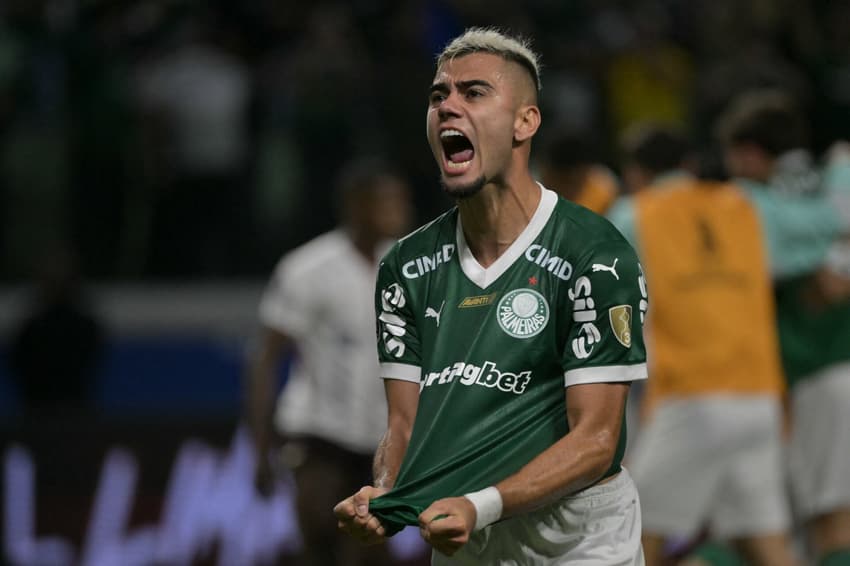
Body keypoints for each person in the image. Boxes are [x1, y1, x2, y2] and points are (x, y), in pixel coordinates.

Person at [334, 28, 649, 565]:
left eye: (473, 93)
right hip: (465, 532)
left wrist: (480, 505)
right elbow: (405, 424)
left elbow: (596, 439)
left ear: (525, 122)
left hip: (578, 535)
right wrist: (387, 491)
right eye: (438, 97)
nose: (448, 107)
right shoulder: (405, 266)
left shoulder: (594, 253)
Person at [607, 123, 802, 566]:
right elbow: (814, 238)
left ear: (636, 174)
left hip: (692, 396)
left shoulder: (633, 214)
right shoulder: (750, 207)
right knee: (767, 545)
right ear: (690, 166)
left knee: (630, 532)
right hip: (759, 398)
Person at [245, 157, 413, 566]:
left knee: (371, 553)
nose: (398, 211)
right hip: (319, 433)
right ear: (356, 204)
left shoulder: (411, 268)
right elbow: (267, 360)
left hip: (380, 441)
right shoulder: (307, 269)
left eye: (400, 201)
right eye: (386, 201)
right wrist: (260, 449)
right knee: (321, 540)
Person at [717, 90, 850, 566]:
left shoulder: (751, 206)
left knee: (831, 524)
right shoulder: (837, 181)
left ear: (750, 153)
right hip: (806, 380)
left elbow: (825, 287)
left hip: (823, 373)